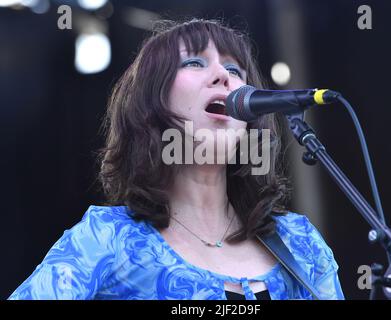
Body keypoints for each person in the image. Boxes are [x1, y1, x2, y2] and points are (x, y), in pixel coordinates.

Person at [8, 18, 344, 300]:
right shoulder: (107, 239)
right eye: (194, 62)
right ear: (152, 105)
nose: (222, 76)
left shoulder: (299, 243)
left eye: (234, 68)